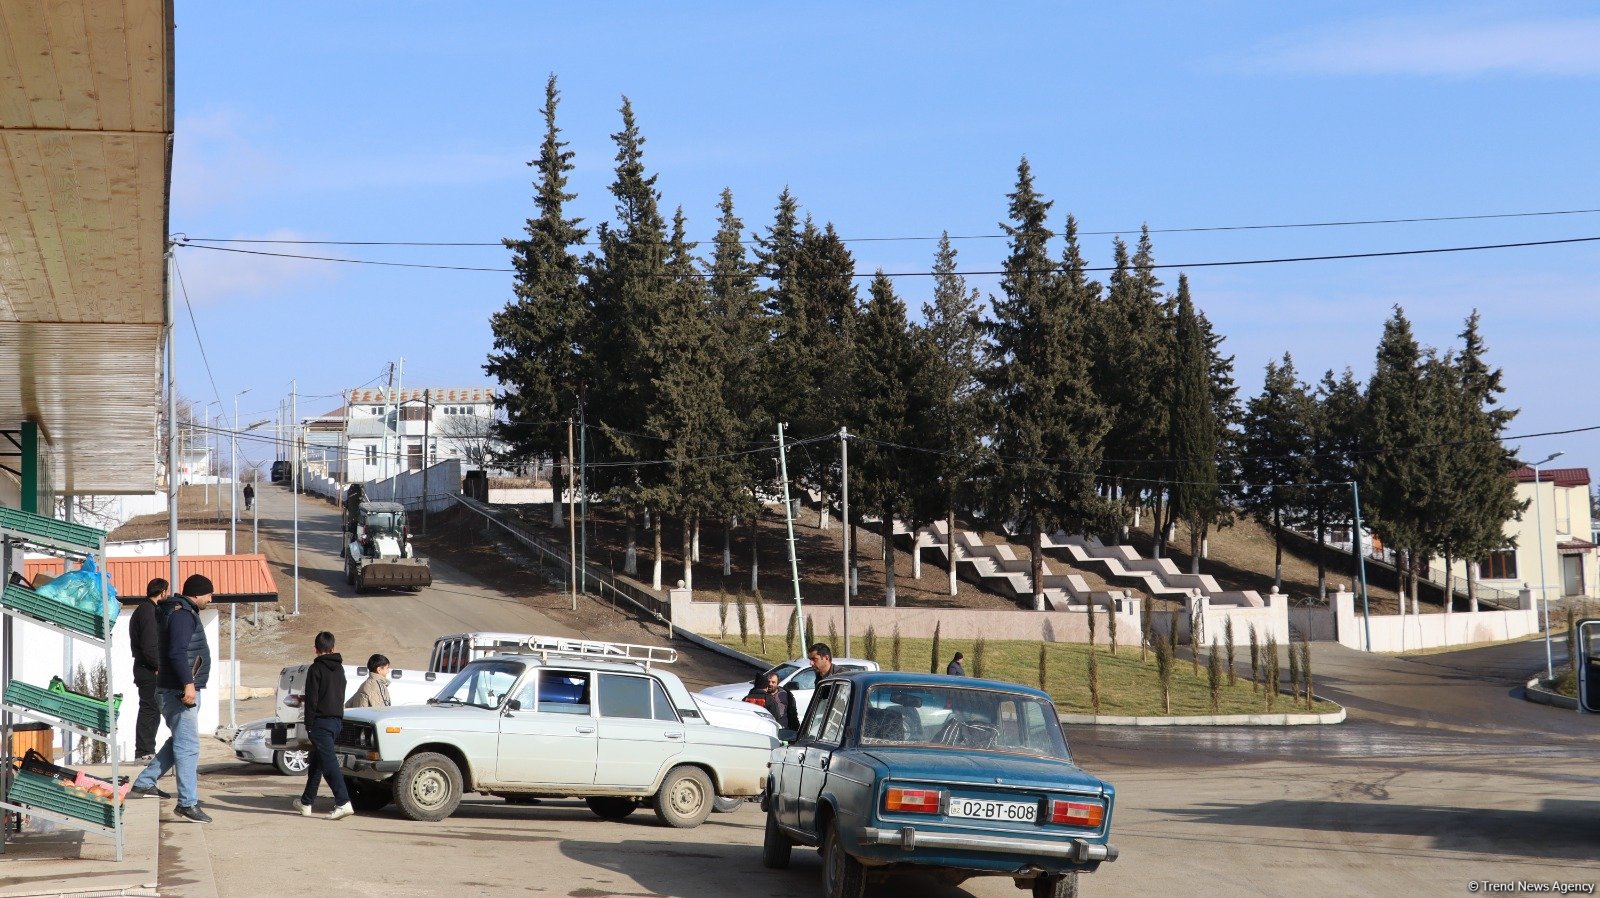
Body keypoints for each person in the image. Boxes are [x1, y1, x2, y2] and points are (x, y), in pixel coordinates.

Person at [128, 574, 214, 823]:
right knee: (188, 747)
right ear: (197, 594)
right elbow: (177, 652)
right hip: (178, 691)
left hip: (172, 688)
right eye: (209, 594)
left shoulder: (175, 611)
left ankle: (144, 783)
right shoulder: (182, 615)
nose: (211, 598)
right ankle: (187, 803)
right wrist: (189, 684)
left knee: (178, 741)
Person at [295, 631, 353, 820]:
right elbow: (337, 695)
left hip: (320, 722)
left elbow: (313, 699)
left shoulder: (315, 669)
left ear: (315, 649)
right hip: (336, 721)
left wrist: (309, 724)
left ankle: (343, 802)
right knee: (318, 762)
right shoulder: (340, 669)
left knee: (328, 764)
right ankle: (306, 802)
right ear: (334, 648)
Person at [129, 578, 167, 761]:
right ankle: (144, 752)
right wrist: (158, 666)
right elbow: (149, 645)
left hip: (146, 667)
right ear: (162, 592)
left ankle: (147, 750)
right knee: (149, 709)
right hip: (148, 669)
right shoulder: (148, 611)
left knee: (152, 709)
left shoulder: (146, 610)